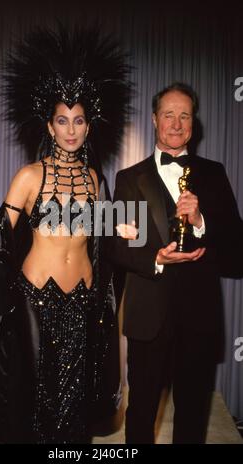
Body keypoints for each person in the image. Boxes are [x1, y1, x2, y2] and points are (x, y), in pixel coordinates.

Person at [0, 25, 131, 444]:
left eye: (78, 120)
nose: (71, 129)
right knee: (34, 394)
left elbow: (99, 241)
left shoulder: (96, 180)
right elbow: (0, 242)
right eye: (62, 120)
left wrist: (120, 227)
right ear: (49, 126)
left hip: (81, 296)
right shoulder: (28, 177)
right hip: (34, 297)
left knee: (73, 395)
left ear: (88, 126)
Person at [113, 82, 243, 444]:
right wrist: (154, 257)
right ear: (154, 119)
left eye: (184, 115)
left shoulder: (214, 174)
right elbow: (119, 248)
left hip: (199, 319)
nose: (176, 123)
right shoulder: (129, 179)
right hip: (148, 318)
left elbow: (237, 249)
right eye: (168, 114)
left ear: (193, 124)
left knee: (192, 417)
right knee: (140, 415)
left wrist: (201, 221)